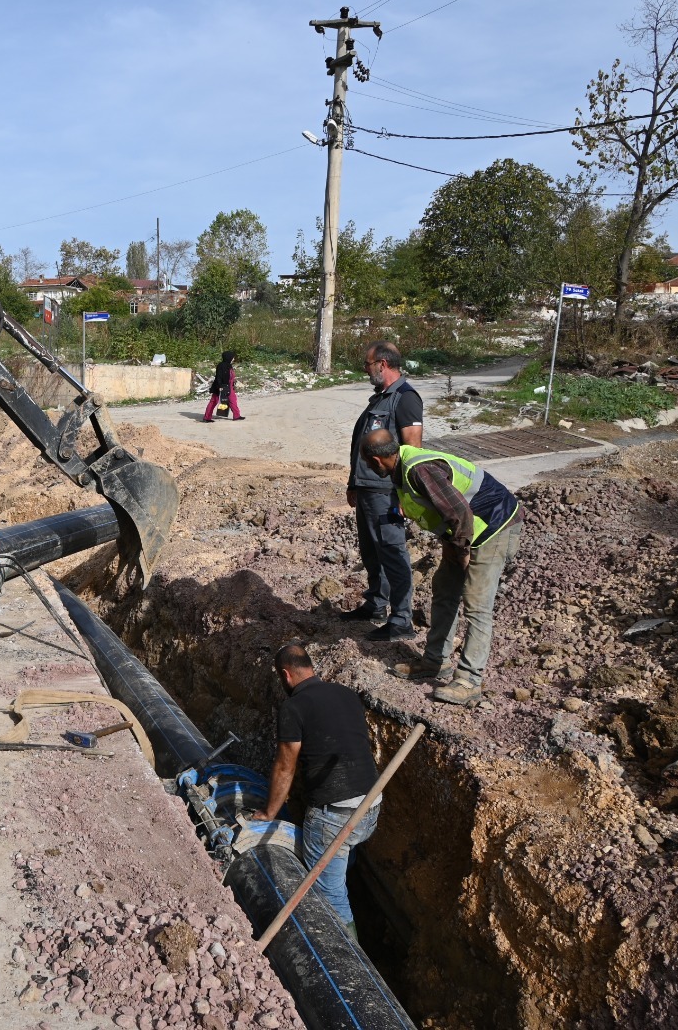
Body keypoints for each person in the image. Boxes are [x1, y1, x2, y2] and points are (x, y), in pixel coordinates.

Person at [360, 429, 523, 707]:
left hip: (494, 527)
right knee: (445, 590)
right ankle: (435, 662)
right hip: (463, 532)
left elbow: (460, 512)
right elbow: (442, 512)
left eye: (368, 464)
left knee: (476, 604)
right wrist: (453, 544)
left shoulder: (420, 470)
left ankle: (470, 680)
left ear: (376, 461)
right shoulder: (403, 470)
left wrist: (461, 551)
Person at [250, 641, 381, 938]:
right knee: (344, 856)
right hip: (371, 804)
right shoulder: (346, 694)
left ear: (285, 675)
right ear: (310, 667)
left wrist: (269, 812)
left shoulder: (293, 707)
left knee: (329, 894)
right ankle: (347, 884)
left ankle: (351, 959)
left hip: (334, 816)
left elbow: (285, 766)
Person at [345, 341, 424, 642]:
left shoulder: (404, 399)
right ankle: (377, 605)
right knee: (371, 552)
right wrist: (354, 483)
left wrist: (406, 495)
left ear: (383, 364)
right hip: (367, 489)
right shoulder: (380, 398)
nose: (365, 370)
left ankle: (402, 619)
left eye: (367, 365)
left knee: (392, 552)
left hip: (387, 491)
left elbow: (413, 452)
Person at [202, 350, 245, 422]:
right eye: (232, 358)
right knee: (214, 401)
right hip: (221, 387)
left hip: (229, 386)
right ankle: (207, 417)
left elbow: (230, 376)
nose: (233, 359)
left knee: (233, 400)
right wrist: (220, 386)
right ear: (228, 357)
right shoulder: (221, 365)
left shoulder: (229, 365)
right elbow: (218, 377)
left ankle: (237, 416)